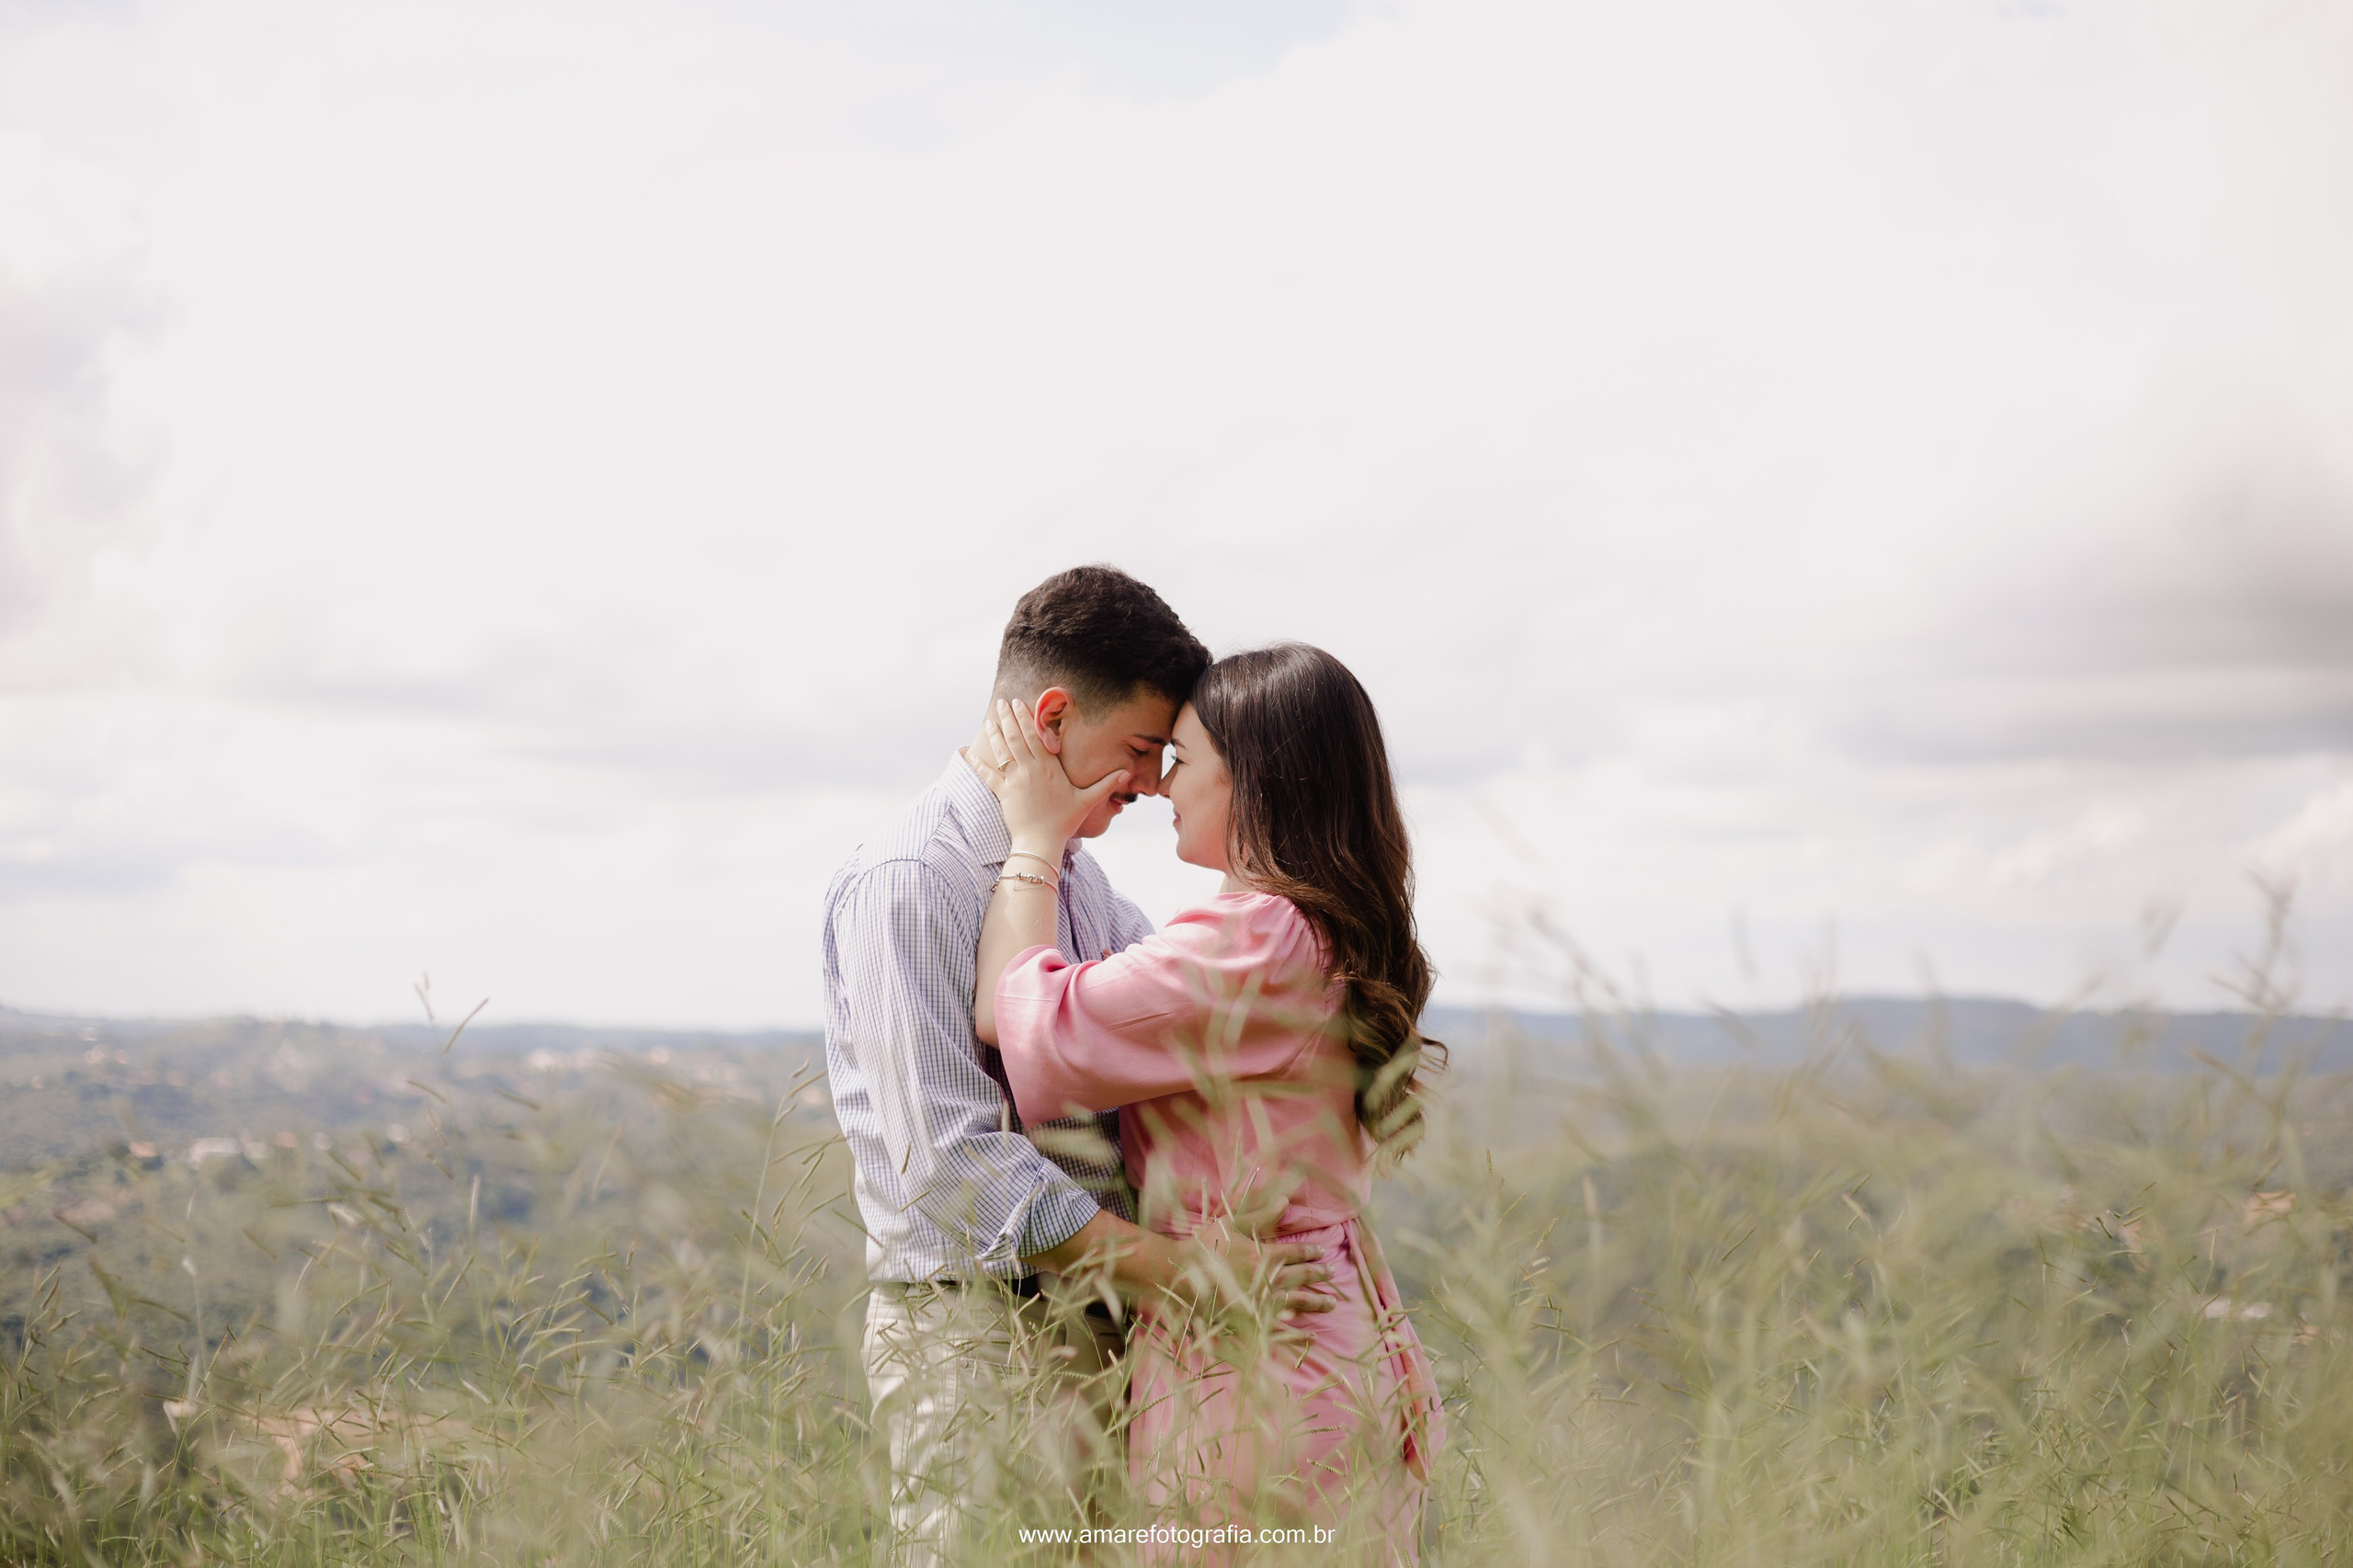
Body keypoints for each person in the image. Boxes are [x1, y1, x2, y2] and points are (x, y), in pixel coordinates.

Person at [821, 567, 1334, 1565]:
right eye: (1139, 750)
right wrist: (1185, 1274)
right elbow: (948, 1160)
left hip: (1105, 1325)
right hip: (975, 1335)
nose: (1149, 782)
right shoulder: (911, 876)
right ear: (1053, 716)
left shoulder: (1078, 880)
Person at [972, 642, 1447, 1561]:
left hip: (1259, 1351)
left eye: (1185, 760)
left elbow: (1030, 1023)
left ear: (1258, 782)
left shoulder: (1258, 937)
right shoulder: (1314, 922)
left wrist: (1033, 838)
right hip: (1307, 1328)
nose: (1161, 786)